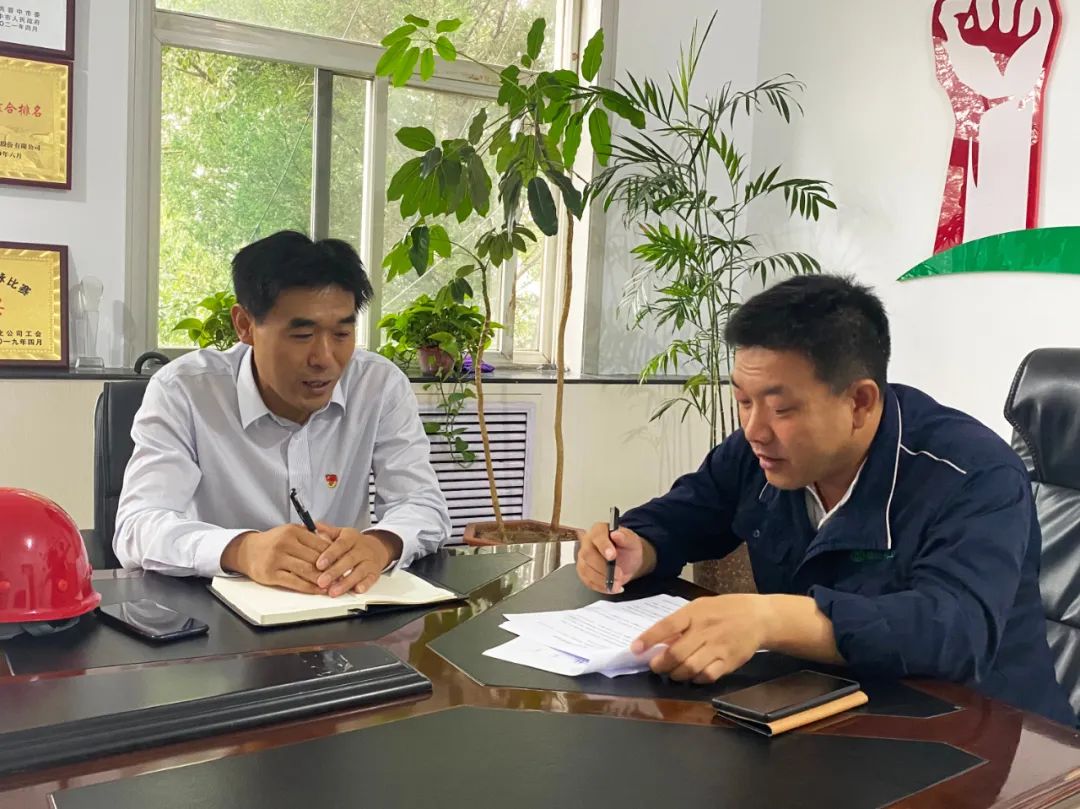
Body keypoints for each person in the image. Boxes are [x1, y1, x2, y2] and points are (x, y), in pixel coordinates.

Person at [577, 274, 1074, 726]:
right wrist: (638, 545)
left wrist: (770, 618)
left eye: (781, 408)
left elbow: (953, 630)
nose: (754, 429)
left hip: (993, 737)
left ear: (860, 402)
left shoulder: (974, 476)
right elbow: (692, 509)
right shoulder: (761, 452)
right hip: (830, 712)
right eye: (743, 400)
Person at [115, 231, 451, 596]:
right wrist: (242, 550)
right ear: (245, 325)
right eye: (302, 336)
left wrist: (380, 544)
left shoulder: (379, 385)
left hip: (343, 604)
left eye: (341, 334)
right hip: (220, 613)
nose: (324, 359)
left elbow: (421, 503)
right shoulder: (185, 391)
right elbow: (137, 526)